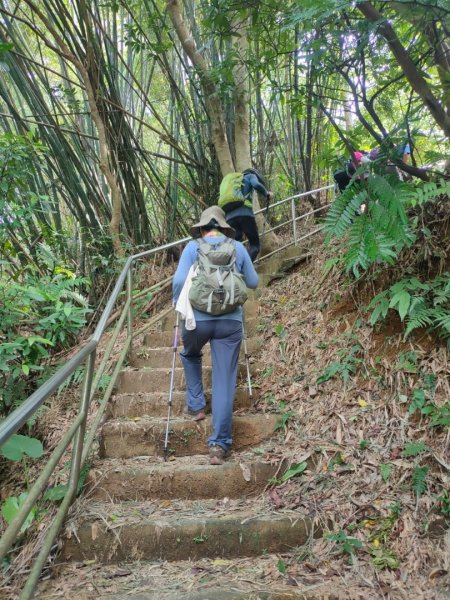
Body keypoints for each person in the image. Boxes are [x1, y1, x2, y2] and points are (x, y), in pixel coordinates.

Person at [172, 205, 259, 465]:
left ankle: (197, 405)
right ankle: (219, 446)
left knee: (190, 353)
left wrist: (179, 303)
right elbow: (253, 282)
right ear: (223, 227)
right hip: (230, 323)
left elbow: (178, 282)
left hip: (196, 321)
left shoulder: (192, 248)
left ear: (202, 228)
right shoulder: (237, 247)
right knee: (223, 381)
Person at [224, 168, 273, 262]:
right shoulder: (250, 176)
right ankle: (245, 269)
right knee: (255, 246)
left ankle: (236, 271)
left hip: (229, 218)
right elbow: (256, 184)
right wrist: (267, 194)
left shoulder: (232, 183)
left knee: (236, 245)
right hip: (245, 215)